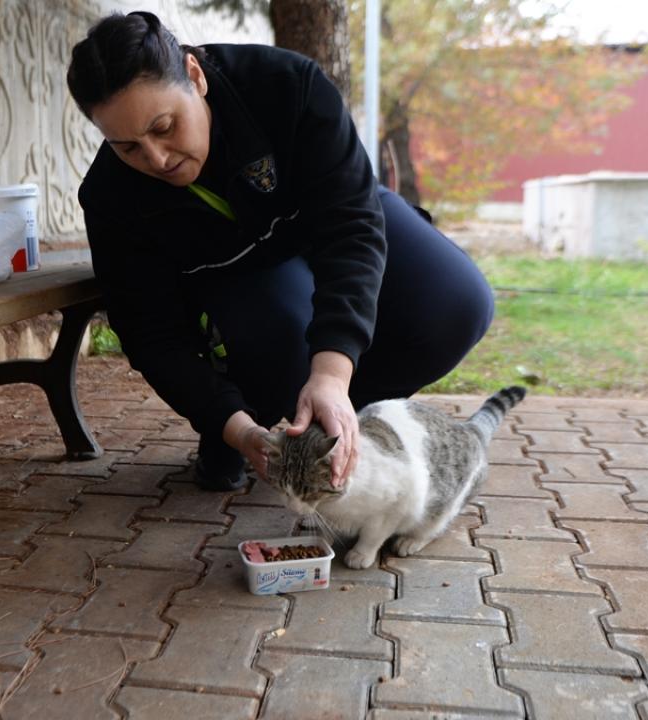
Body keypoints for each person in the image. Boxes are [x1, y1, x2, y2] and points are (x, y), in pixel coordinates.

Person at [66, 11, 494, 491]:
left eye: (165, 127)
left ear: (194, 76)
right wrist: (233, 423)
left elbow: (350, 225)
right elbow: (152, 335)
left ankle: (332, 422)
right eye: (128, 148)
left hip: (325, 218)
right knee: (280, 337)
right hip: (243, 278)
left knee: (456, 304)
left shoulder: (287, 84)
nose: (157, 159)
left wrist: (332, 374)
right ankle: (246, 421)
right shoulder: (109, 198)